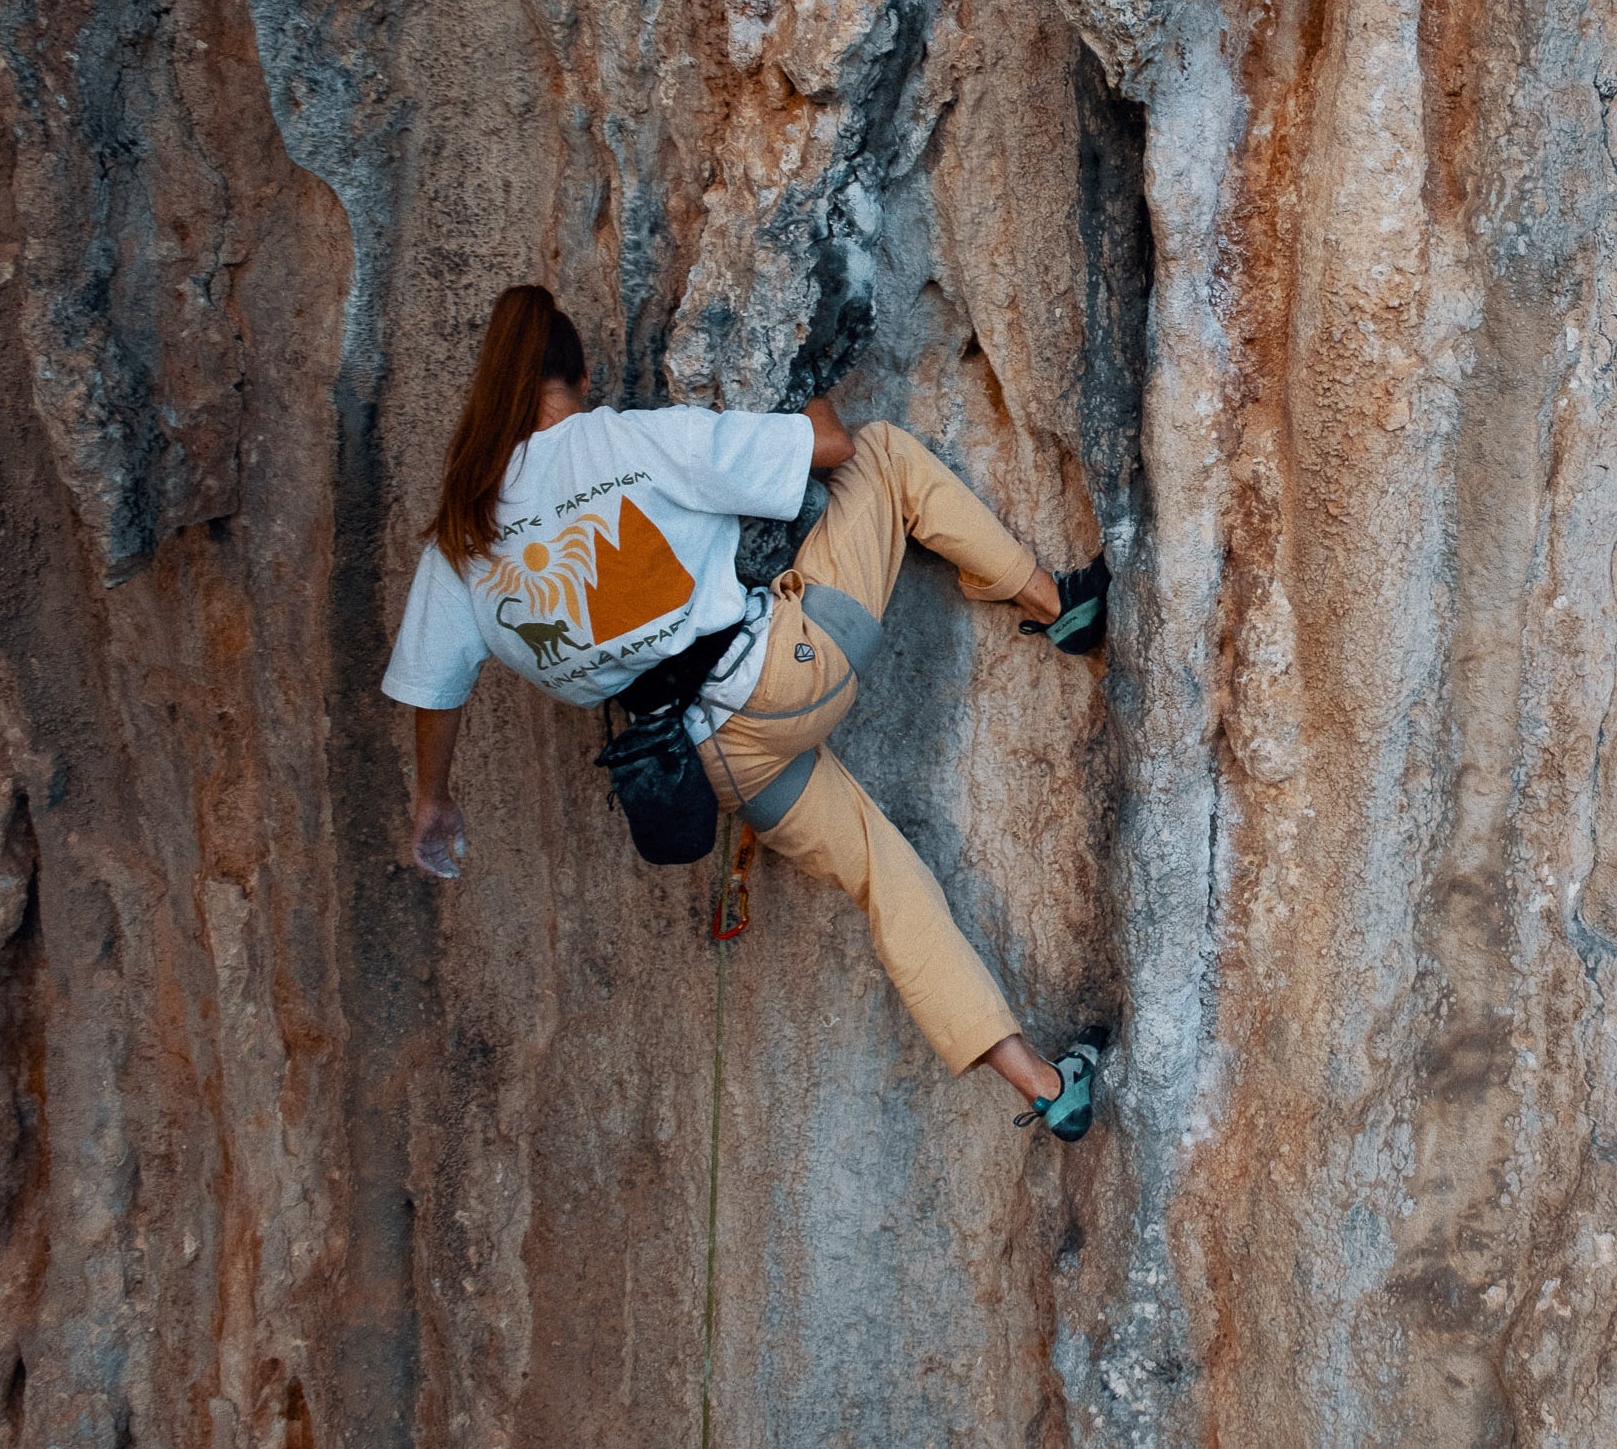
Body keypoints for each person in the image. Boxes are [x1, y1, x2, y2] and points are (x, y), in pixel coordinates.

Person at [381, 285, 1111, 1138]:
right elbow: (830, 445)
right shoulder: (625, 439)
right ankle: (1055, 601)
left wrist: (432, 800)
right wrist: (796, 375)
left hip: (714, 763)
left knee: (887, 878)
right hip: (786, 673)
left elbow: (433, 688)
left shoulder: (464, 536)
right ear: (578, 373)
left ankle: (1040, 1083)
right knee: (884, 455)